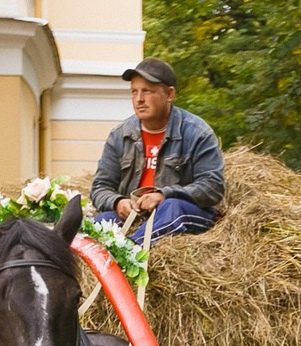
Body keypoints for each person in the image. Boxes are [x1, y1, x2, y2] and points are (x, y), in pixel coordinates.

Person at [89, 57, 225, 240]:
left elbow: (212, 186)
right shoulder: (120, 135)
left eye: (147, 91)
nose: (139, 99)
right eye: (134, 92)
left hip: (183, 212)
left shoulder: (197, 133)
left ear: (169, 94)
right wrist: (118, 202)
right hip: (137, 214)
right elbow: (100, 187)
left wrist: (164, 195)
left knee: (171, 208)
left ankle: (132, 253)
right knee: (101, 221)